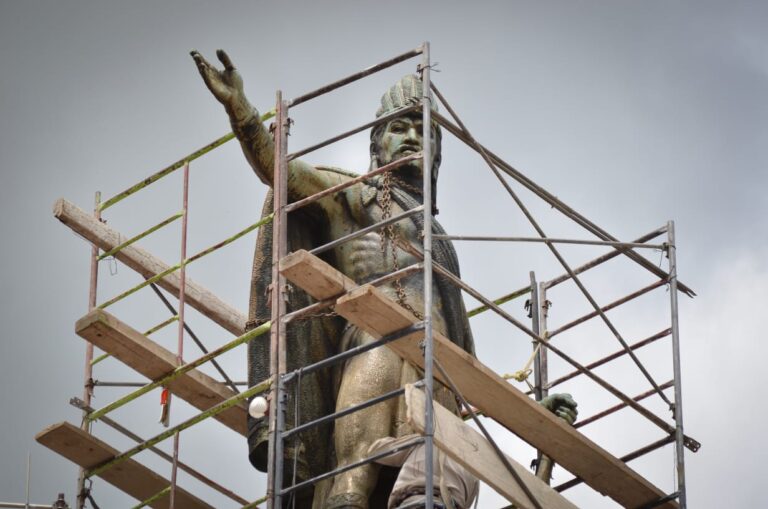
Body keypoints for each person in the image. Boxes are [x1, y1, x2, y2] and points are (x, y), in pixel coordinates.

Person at [192, 49, 474, 509]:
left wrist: (538, 421)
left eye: (423, 131)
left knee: (434, 484)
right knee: (353, 478)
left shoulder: (440, 243)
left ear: (436, 155)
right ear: (376, 145)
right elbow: (279, 172)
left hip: (440, 365)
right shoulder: (353, 198)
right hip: (373, 345)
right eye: (399, 127)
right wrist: (240, 111)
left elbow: (468, 352)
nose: (411, 137)